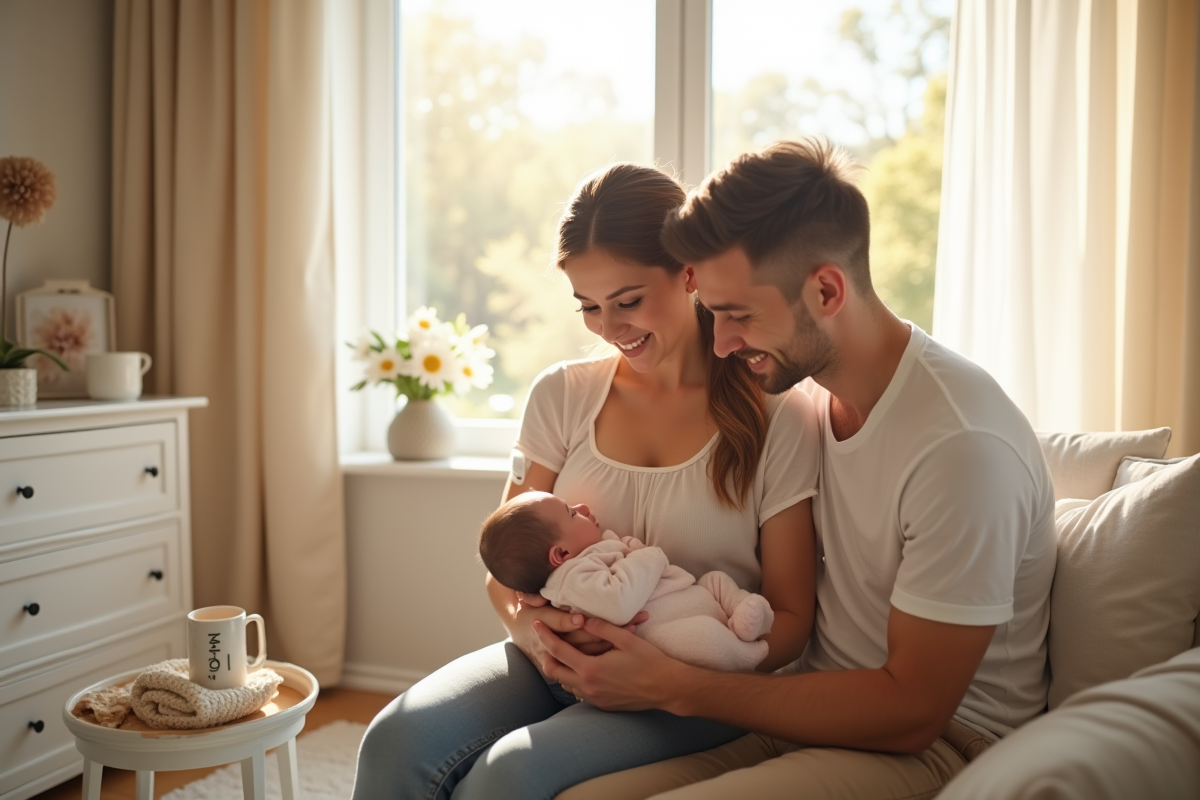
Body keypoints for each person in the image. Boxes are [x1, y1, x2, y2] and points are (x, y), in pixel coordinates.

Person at [538, 138, 1059, 800]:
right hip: (800, 706)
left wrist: (678, 687)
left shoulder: (961, 448)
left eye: (737, 316)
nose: (721, 343)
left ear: (825, 290)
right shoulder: (814, 399)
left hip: (941, 745)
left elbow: (913, 711)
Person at [351, 162, 822, 800]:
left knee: (509, 775)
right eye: (589, 307)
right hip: (550, 660)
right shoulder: (562, 395)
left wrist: (670, 678)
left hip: (687, 684)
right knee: (393, 740)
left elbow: (792, 619)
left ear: (689, 273)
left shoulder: (777, 414)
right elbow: (503, 565)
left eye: (628, 301)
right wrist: (539, 645)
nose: (609, 327)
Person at [479, 490, 775, 672]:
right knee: (704, 639)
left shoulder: (585, 559)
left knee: (717, 581)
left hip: (688, 596)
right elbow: (618, 603)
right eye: (571, 513)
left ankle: (745, 617)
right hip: (666, 630)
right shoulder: (570, 579)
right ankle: (747, 651)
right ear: (561, 554)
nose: (582, 507)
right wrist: (649, 557)